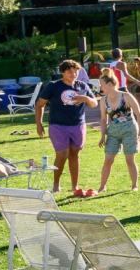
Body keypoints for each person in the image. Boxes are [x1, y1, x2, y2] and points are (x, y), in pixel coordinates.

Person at [35, 60, 99, 194]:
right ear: (62, 72)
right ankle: (56, 185)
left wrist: (86, 98)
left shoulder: (82, 86)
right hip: (58, 125)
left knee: (75, 155)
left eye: (75, 71)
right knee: (62, 154)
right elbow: (40, 105)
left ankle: (74, 186)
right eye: (69, 71)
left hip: (78, 125)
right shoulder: (53, 86)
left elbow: (94, 104)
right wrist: (39, 124)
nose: (73, 74)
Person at [95, 73, 140, 193]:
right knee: (108, 160)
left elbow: (138, 113)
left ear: (109, 84)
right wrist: (102, 136)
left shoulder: (126, 96)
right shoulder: (103, 100)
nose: (100, 87)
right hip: (113, 132)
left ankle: (134, 186)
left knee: (129, 160)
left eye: (101, 84)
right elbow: (103, 119)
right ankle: (102, 186)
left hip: (129, 130)